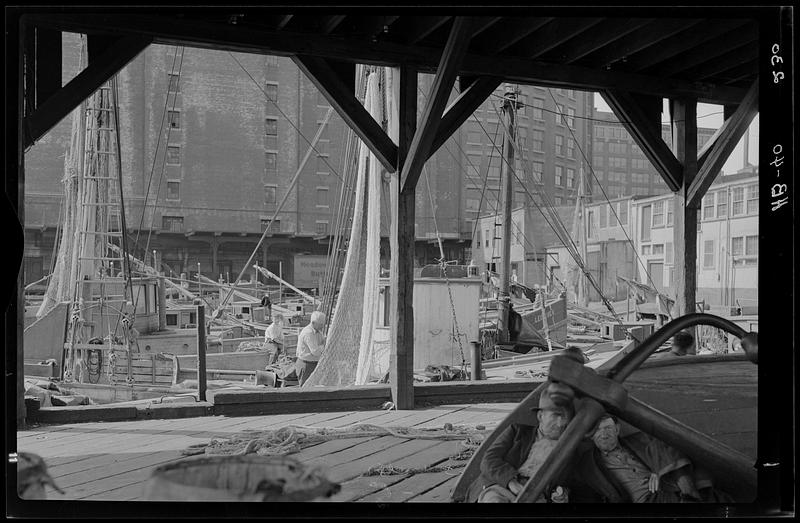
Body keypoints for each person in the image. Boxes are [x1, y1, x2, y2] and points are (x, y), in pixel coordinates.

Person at [467, 382, 578, 503]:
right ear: (540, 416)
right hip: (500, 487)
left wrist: (563, 493)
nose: (560, 423)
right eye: (556, 415)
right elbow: (489, 460)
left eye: (565, 417)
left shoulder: (568, 449)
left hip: (537, 496)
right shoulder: (517, 431)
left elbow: (572, 482)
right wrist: (511, 482)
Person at [570, 414, 708, 503]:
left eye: (608, 428)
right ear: (590, 435)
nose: (604, 434)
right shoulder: (588, 464)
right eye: (597, 430)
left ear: (617, 430)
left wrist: (658, 468)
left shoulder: (638, 440)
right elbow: (579, 490)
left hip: (669, 489)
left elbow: (664, 450)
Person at [295, 311, 326, 385]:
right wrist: (324, 345)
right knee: (306, 389)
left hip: (314, 364)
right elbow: (315, 352)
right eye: (320, 324)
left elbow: (322, 342)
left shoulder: (318, 331)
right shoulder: (308, 333)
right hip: (306, 365)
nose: (322, 326)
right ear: (313, 323)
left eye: (323, 324)